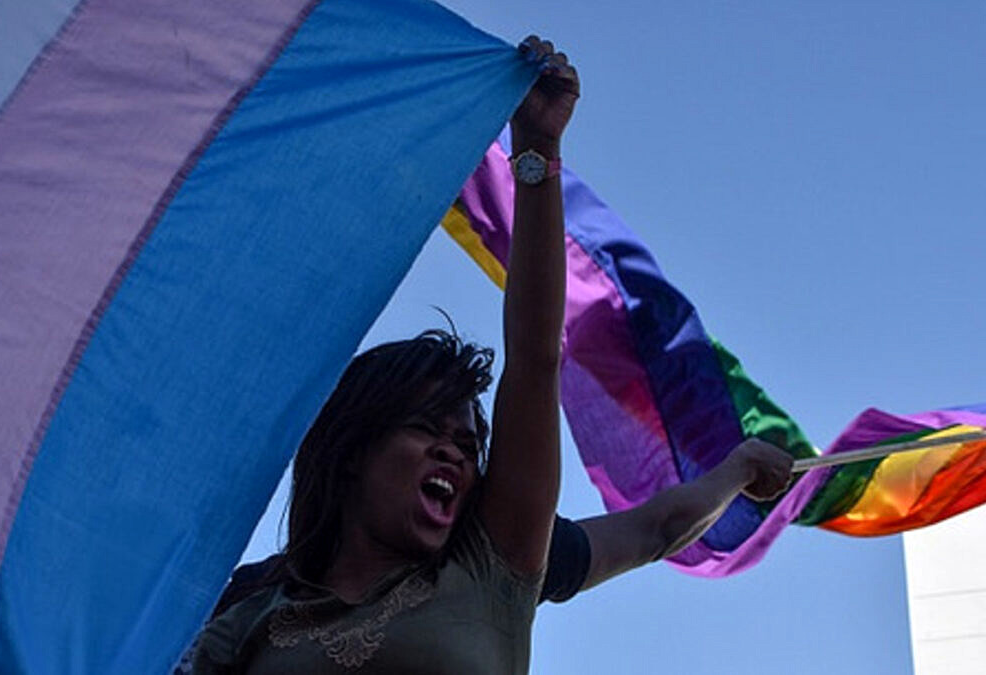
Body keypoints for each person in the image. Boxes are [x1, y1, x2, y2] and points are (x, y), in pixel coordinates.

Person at [185, 38, 793, 674]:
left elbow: (536, 359)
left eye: (467, 443)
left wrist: (536, 153)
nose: (454, 451)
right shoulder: (250, 613)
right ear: (351, 452)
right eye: (425, 428)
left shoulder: (492, 560)